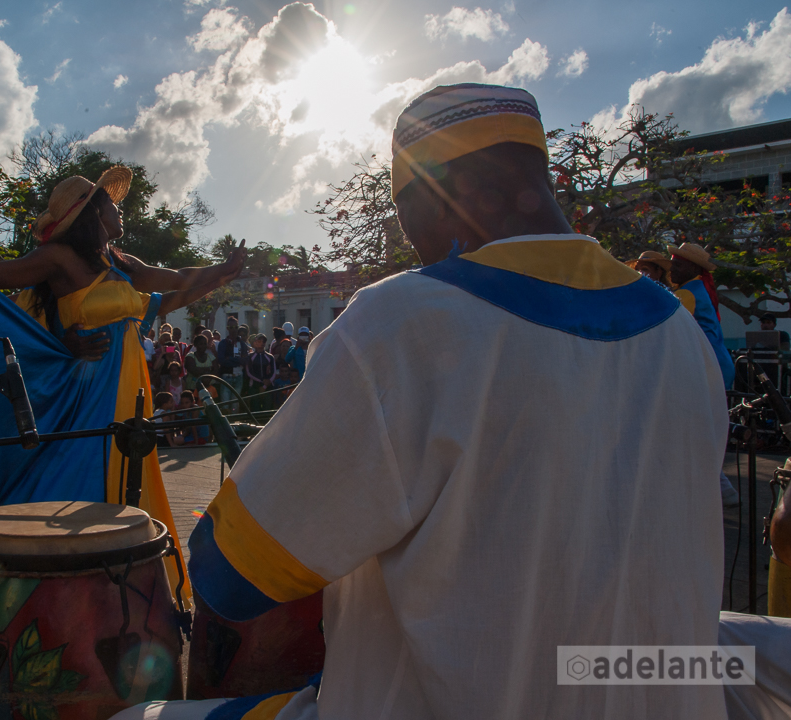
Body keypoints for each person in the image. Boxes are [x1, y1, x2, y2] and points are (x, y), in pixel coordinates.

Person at [115, 83, 782, 720]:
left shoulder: (403, 321)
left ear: (448, 195)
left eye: (409, 217)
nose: (415, 245)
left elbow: (230, 572)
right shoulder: (682, 334)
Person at [0, 165, 246, 600]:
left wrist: (223, 270)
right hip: (88, 394)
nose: (119, 210)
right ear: (92, 212)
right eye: (111, 204)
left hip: (128, 391)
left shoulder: (121, 264)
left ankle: (129, 597)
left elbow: (177, 283)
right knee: (79, 491)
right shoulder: (60, 258)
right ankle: (69, 596)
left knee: (129, 483)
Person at [669, 243, 735, 389]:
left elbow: (670, 331)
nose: (671, 269)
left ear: (694, 268)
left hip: (707, 368)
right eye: (672, 264)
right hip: (716, 364)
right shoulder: (697, 288)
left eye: (677, 265)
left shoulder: (686, 293)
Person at [215, 316, 249, 407]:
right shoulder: (223, 343)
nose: (234, 330)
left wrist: (230, 358)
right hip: (226, 376)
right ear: (227, 328)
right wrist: (238, 361)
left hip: (239, 377)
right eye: (231, 327)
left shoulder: (242, 344)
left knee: (235, 405)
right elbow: (222, 361)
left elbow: (245, 360)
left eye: (235, 327)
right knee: (225, 405)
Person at [245, 333, 277, 412]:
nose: (262, 343)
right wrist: (261, 381)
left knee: (267, 410)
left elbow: (273, 373)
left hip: (267, 387)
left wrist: (265, 385)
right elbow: (249, 372)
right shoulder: (250, 356)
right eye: (259, 341)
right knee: (255, 410)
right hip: (254, 386)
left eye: (264, 341)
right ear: (255, 342)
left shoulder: (270, 357)